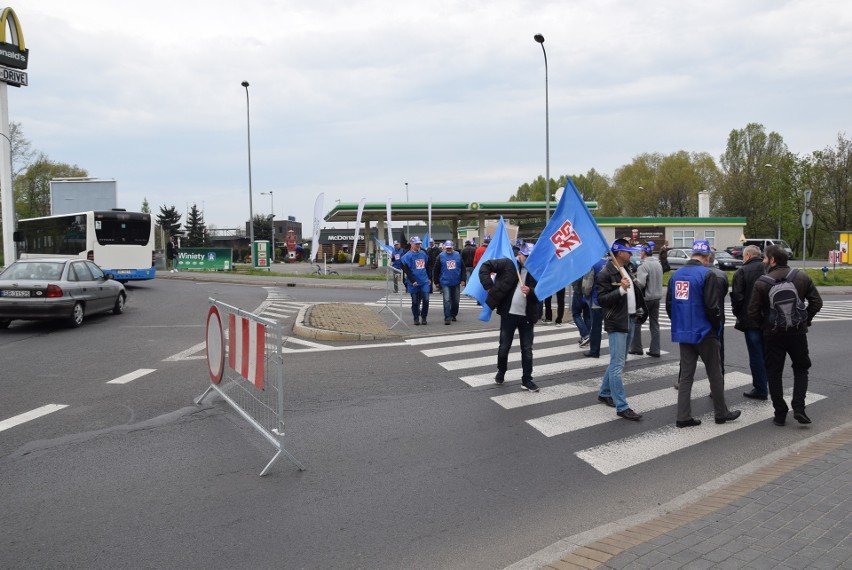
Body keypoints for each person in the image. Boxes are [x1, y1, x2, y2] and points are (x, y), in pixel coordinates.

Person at [666, 240, 741, 428]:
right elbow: (712, 306)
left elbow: (669, 306)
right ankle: (721, 413)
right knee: (715, 373)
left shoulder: (675, 276)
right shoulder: (707, 274)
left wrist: (680, 323)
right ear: (707, 258)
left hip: (684, 332)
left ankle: (683, 417)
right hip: (705, 331)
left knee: (686, 377)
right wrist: (716, 328)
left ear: (692, 255)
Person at [748, 244, 822, 426]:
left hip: (772, 334)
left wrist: (764, 326)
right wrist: (806, 320)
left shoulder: (762, 282)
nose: (764, 261)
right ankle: (799, 408)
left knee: (774, 373)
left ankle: (780, 414)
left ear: (772, 260)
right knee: (801, 369)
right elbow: (816, 302)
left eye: (765, 258)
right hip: (797, 333)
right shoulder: (802, 277)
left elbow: (753, 311)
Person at [595, 239, 648, 421]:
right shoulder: (605, 274)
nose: (631, 253)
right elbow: (601, 300)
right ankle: (622, 406)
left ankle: (604, 392)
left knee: (619, 361)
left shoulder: (627, 268)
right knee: (617, 364)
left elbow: (634, 293)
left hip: (630, 320)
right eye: (628, 251)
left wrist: (638, 309)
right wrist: (621, 290)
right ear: (619, 253)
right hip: (617, 322)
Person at [479, 243, 543, 392]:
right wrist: (489, 286)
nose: (527, 259)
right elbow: (485, 266)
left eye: (530, 257)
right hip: (509, 314)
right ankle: (501, 371)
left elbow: (542, 291)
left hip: (527, 316)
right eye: (526, 256)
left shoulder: (537, 270)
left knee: (527, 349)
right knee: (504, 347)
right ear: (520, 254)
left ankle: (527, 380)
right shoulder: (508, 264)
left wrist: (531, 291)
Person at [730, 245, 769, 400]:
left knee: (756, 354)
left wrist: (739, 314)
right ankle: (772, 386)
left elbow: (737, 298)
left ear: (747, 256)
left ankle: (760, 388)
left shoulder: (742, 272)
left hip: (751, 320)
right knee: (769, 353)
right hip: (770, 319)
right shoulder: (769, 268)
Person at [631, 243, 663, 357]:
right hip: (657, 298)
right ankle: (655, 349)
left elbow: (641, 284)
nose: (640, 253)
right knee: (654, 324)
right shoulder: (658, 264)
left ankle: (636, 348)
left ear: (644, 252)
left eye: (641, 251)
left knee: (637, 322)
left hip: (645, 299)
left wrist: (633, 280)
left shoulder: (643, 266)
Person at [400, 236, 431, 325]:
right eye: (416, 244)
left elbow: (428, 266)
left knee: (426, 300)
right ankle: (416, 318)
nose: (418, 245)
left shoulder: (423, 253)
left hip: (424, 281)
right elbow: (407, 270)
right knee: (415, 301)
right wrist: (413, 280)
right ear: (411, 244)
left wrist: (429, 278)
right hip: (413, 283)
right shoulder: (407, 256)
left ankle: (424, 317)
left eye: (419, 244)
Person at [434, 240, 465, 325]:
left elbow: (463, 268)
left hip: (456, 281)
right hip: (445, 282)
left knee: (456, 301)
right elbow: (436, 269)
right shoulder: (440, 256)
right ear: (444, 248)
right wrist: (436, 281)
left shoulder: (458, 255)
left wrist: (463, 279)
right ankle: (447, 317)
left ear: (453, 248)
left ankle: (453, 314)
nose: (448, 250)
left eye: (450, 248)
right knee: (447, 300)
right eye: (447, 248)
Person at [582, 258, 606, 356]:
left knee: (596, 327)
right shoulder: (609, 262)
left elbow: (587, 286)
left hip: (596, 301)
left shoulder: (593, 264)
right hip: (609, 300)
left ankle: (594, 351)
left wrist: (586, 295)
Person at [570, 276, 590, 343]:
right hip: (588, 292)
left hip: (579, 291)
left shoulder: (578, 266)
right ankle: (587, 336)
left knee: (576, 314)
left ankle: (585, 335)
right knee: (587, 315)